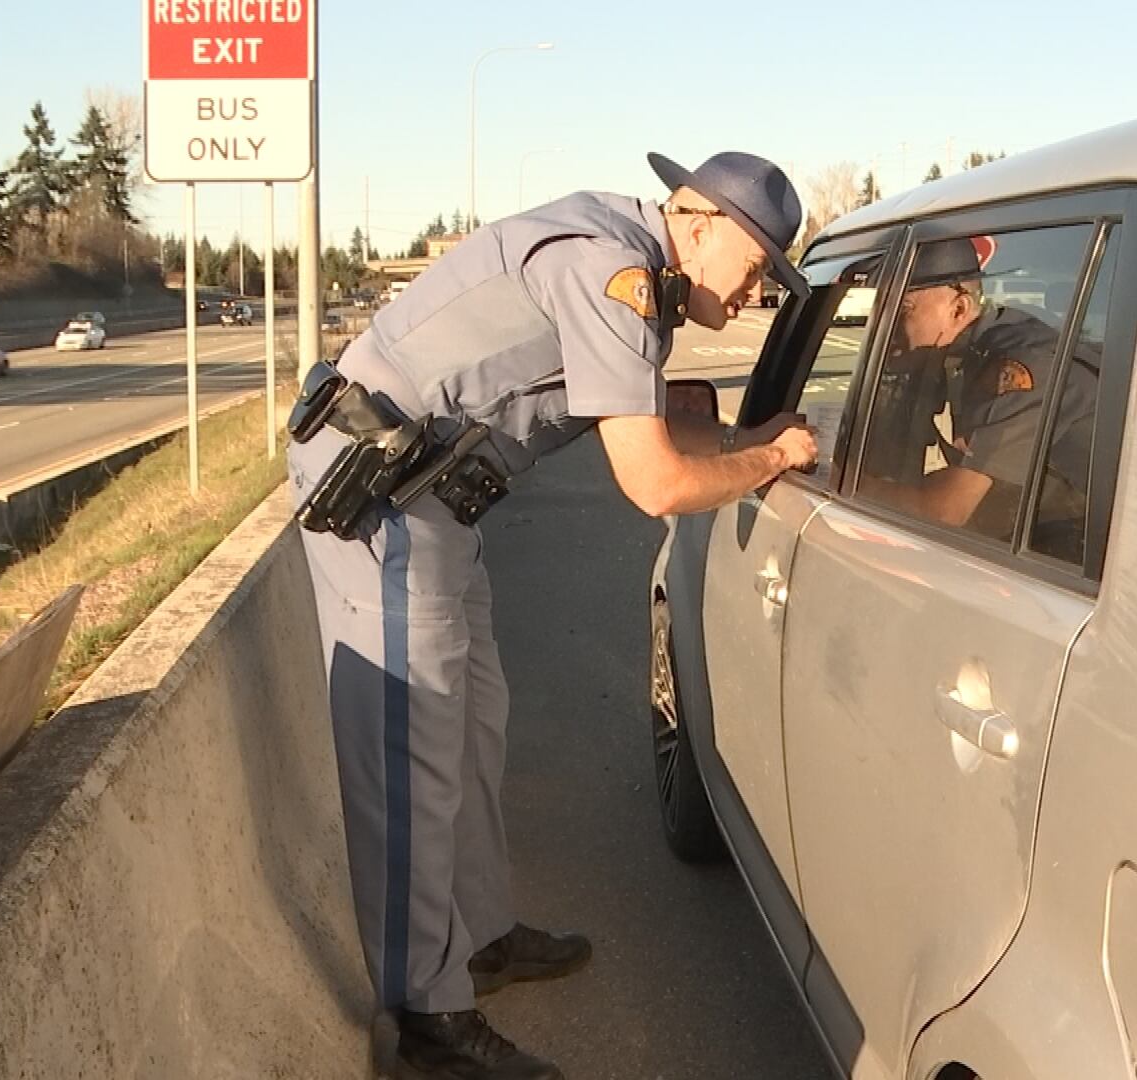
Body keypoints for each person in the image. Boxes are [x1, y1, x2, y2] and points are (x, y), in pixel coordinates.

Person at [284, 151, 817, 1080]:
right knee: (412, 757)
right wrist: (767, 463)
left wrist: (749, 439)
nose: (757, 291)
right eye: (759, 265)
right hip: (385, 500)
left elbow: (655, 424)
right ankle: (427, 1019)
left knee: (472, 728)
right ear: (699, 224)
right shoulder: (613, 276)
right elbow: (656, 481)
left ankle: (480, 938)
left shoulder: (636, 271)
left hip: (437, 503)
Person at [859, 237, 1098, 547]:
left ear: (959, 308)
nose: (886, 329)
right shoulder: (958, 358)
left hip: (1073, 554)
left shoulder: (1017, 368)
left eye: (903, 311)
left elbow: (944, 511)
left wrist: (852, 485)